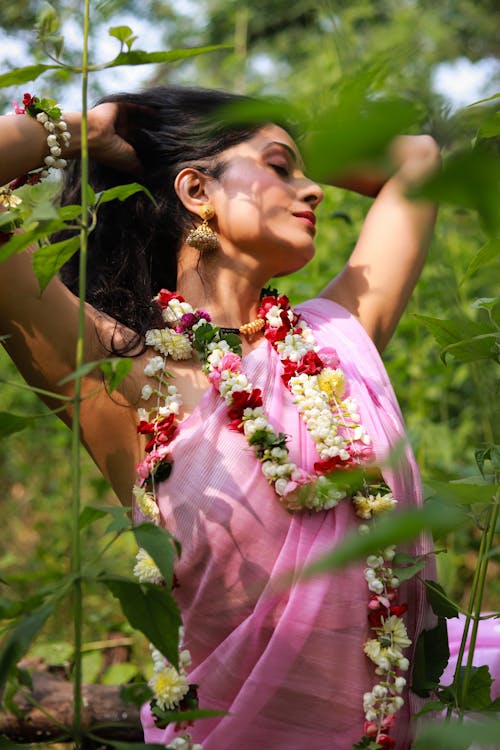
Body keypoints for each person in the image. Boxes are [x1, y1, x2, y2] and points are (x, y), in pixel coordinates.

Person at [0, 86, 440, 749]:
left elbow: (420, 158)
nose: (315, 189)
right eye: (280, 167)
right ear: (196, 190)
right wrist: (95, 127)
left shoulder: (335, 340)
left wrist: (256, 134)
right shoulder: (119, 379)